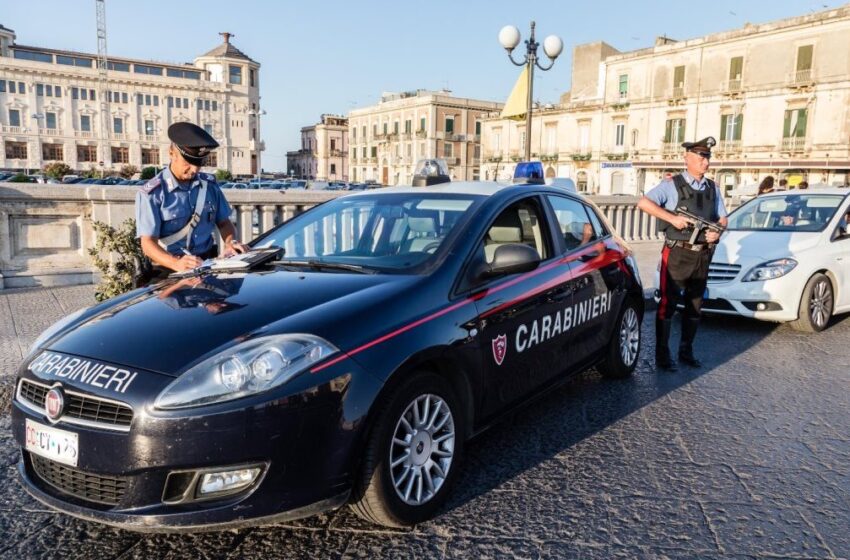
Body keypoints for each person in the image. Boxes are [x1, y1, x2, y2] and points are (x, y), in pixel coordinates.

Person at [637, 137, 729, 371]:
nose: (705, 162)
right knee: (668, 305)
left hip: (702, 254)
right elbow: (644, 203)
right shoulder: (671, 184)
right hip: (677, 253)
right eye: (700, 157)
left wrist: (717, 232)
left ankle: (686, 351)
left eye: (707, 157)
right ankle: (663, 356)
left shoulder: (713, 188)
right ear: (686, 158)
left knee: (695, 306)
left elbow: (723, 218)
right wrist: (672, 219)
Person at [135, 122, 248, 284]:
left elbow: (224, 223)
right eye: (188, 162)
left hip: (207, 265)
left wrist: (231, 243)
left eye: (199, 163)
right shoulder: (153, 193)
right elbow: (147, 243)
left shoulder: (209, 186)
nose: (194, 170)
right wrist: (176, 263)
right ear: (172, 153)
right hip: (168, 270)